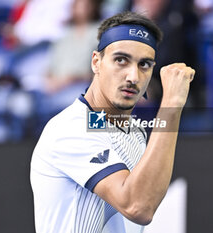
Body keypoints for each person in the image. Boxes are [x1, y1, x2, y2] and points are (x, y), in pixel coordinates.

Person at [30, 11, 195, 233]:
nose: (133, 77)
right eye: (121, 60)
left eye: (144, 64)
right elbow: (138, 207)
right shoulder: (70, 128)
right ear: (96, 62)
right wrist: (172, 105)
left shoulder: (133, 131)